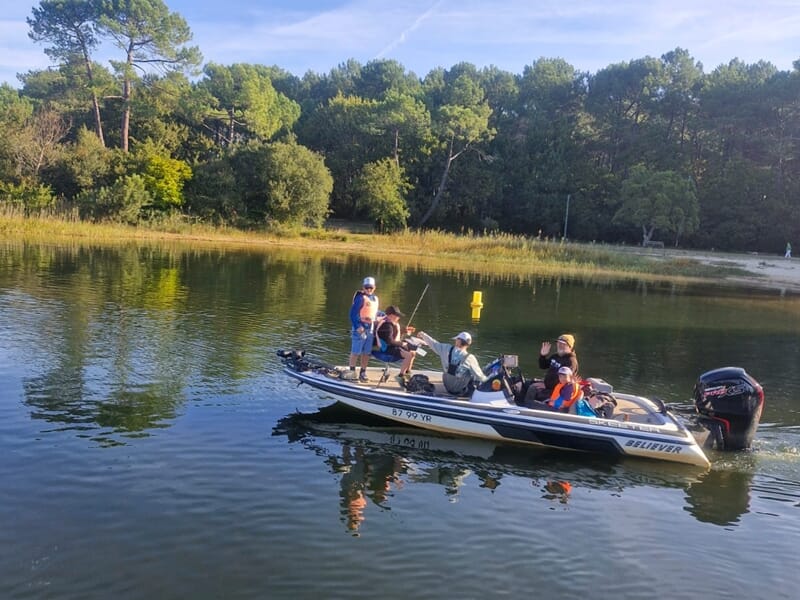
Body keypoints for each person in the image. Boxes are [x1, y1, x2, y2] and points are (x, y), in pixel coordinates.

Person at [417, 330, 488, 396]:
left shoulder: (446, 348)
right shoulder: (470, 358)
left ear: (458, 341)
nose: (455, 341)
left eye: (456, 339)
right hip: (459, 391)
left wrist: (423, 335)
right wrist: (489, 380)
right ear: (468, 344)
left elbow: (433, 343)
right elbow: (480, 377)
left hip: (447, 387)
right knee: (473, 376)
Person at [528, 333, 579, 401]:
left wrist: (546, 386)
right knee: (525, 384)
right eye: (558, 343)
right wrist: (543, 356)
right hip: (547, 385)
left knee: (533, 390)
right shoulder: (556, 356)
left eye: (563, 343)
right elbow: (543, 366)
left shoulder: (571, 362)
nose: (560, 345)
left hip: (557, 391)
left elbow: (564, 380)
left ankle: (525, 407)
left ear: (570, 346)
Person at [374, 305, 417, 384]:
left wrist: (405, 330)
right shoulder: (387, 325)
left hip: (394, 346)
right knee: (408, 355)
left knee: (413, 352)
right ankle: (400, 376)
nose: (399, 317)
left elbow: (396, 331)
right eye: (397, 315)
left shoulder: (392, 323)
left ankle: (408, 373)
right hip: (388, 348)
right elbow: (389, 341)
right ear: (390, 315)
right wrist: (402, 344)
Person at [348, 276, 379, 382]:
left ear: (374, 287)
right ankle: (352, 372)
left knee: (367, 352)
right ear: (363, 287)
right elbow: (352, 314)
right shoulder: (360, 298)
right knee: (356, 351)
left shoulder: (375, 299)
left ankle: (363, 372)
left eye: (371, 287)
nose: (369, 289)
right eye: (367, 287)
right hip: (360, 328)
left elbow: (375, 313)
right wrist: (357, 326)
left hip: (370, 328)